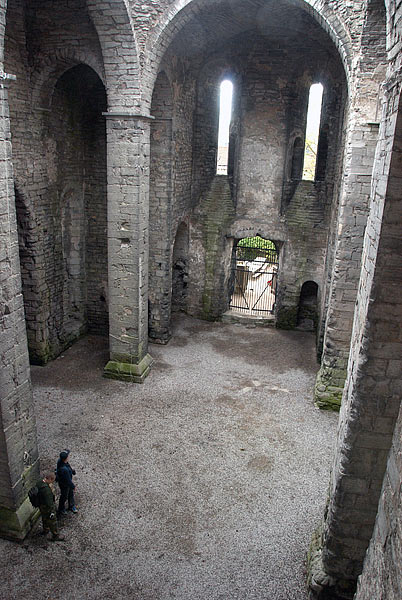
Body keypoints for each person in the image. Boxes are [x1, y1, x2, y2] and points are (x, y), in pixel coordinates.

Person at [37, 473, 65, 541]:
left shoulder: (39, 483)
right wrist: (52, 511)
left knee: (44, 518)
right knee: (52, 521)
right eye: (52, 481)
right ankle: (55, 535)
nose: (52, 482)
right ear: (50, 479)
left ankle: (45, 529)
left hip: (41, 505)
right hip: (47, 508)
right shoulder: (47, 491)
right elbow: (50, 503)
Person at [56, 449, 78, 515]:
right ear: (65, 459)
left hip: (65, 482)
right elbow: (68, 480)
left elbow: (68, 465)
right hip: (64, 484)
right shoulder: (64, 470)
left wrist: (72, 471)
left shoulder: (61, 461)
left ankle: (71, 506)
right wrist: (73, 486)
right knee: (64, 496)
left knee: (70, 494)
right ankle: (61, 509)